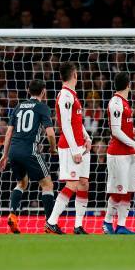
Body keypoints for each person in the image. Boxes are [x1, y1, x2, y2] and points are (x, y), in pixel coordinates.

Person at [0, 79, 57, 234]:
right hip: (30, 151)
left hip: (14, 151)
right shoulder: (42, 107)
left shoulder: (18, 107)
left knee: (22, 183)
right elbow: (50, 133)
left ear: (28, 91)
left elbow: (9, 132)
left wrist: (4, 155)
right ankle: (50, 223)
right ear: (43, 91)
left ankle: (13, 215)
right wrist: (53, 149)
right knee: (47, 184)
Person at [45, 62, 92, 235]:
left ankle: (78, 226)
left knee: (83, 184)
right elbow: (65, 125)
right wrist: (75, 150)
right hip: (70, 147)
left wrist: (87, 137)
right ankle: (51, 222)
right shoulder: (65, 95)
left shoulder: (72, 94)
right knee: (72, 184)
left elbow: (76, 122)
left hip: (80, 145)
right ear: (74, 75)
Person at [102, 72, 135, 235]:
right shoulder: (116, 103)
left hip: (128, 154)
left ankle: (121, 226)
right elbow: (116, 131)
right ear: (128, 85)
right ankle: (106, 223)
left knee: (128, 191)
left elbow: (124, 128)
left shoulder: (124, 103)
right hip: (118, 155)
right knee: (117, 191)